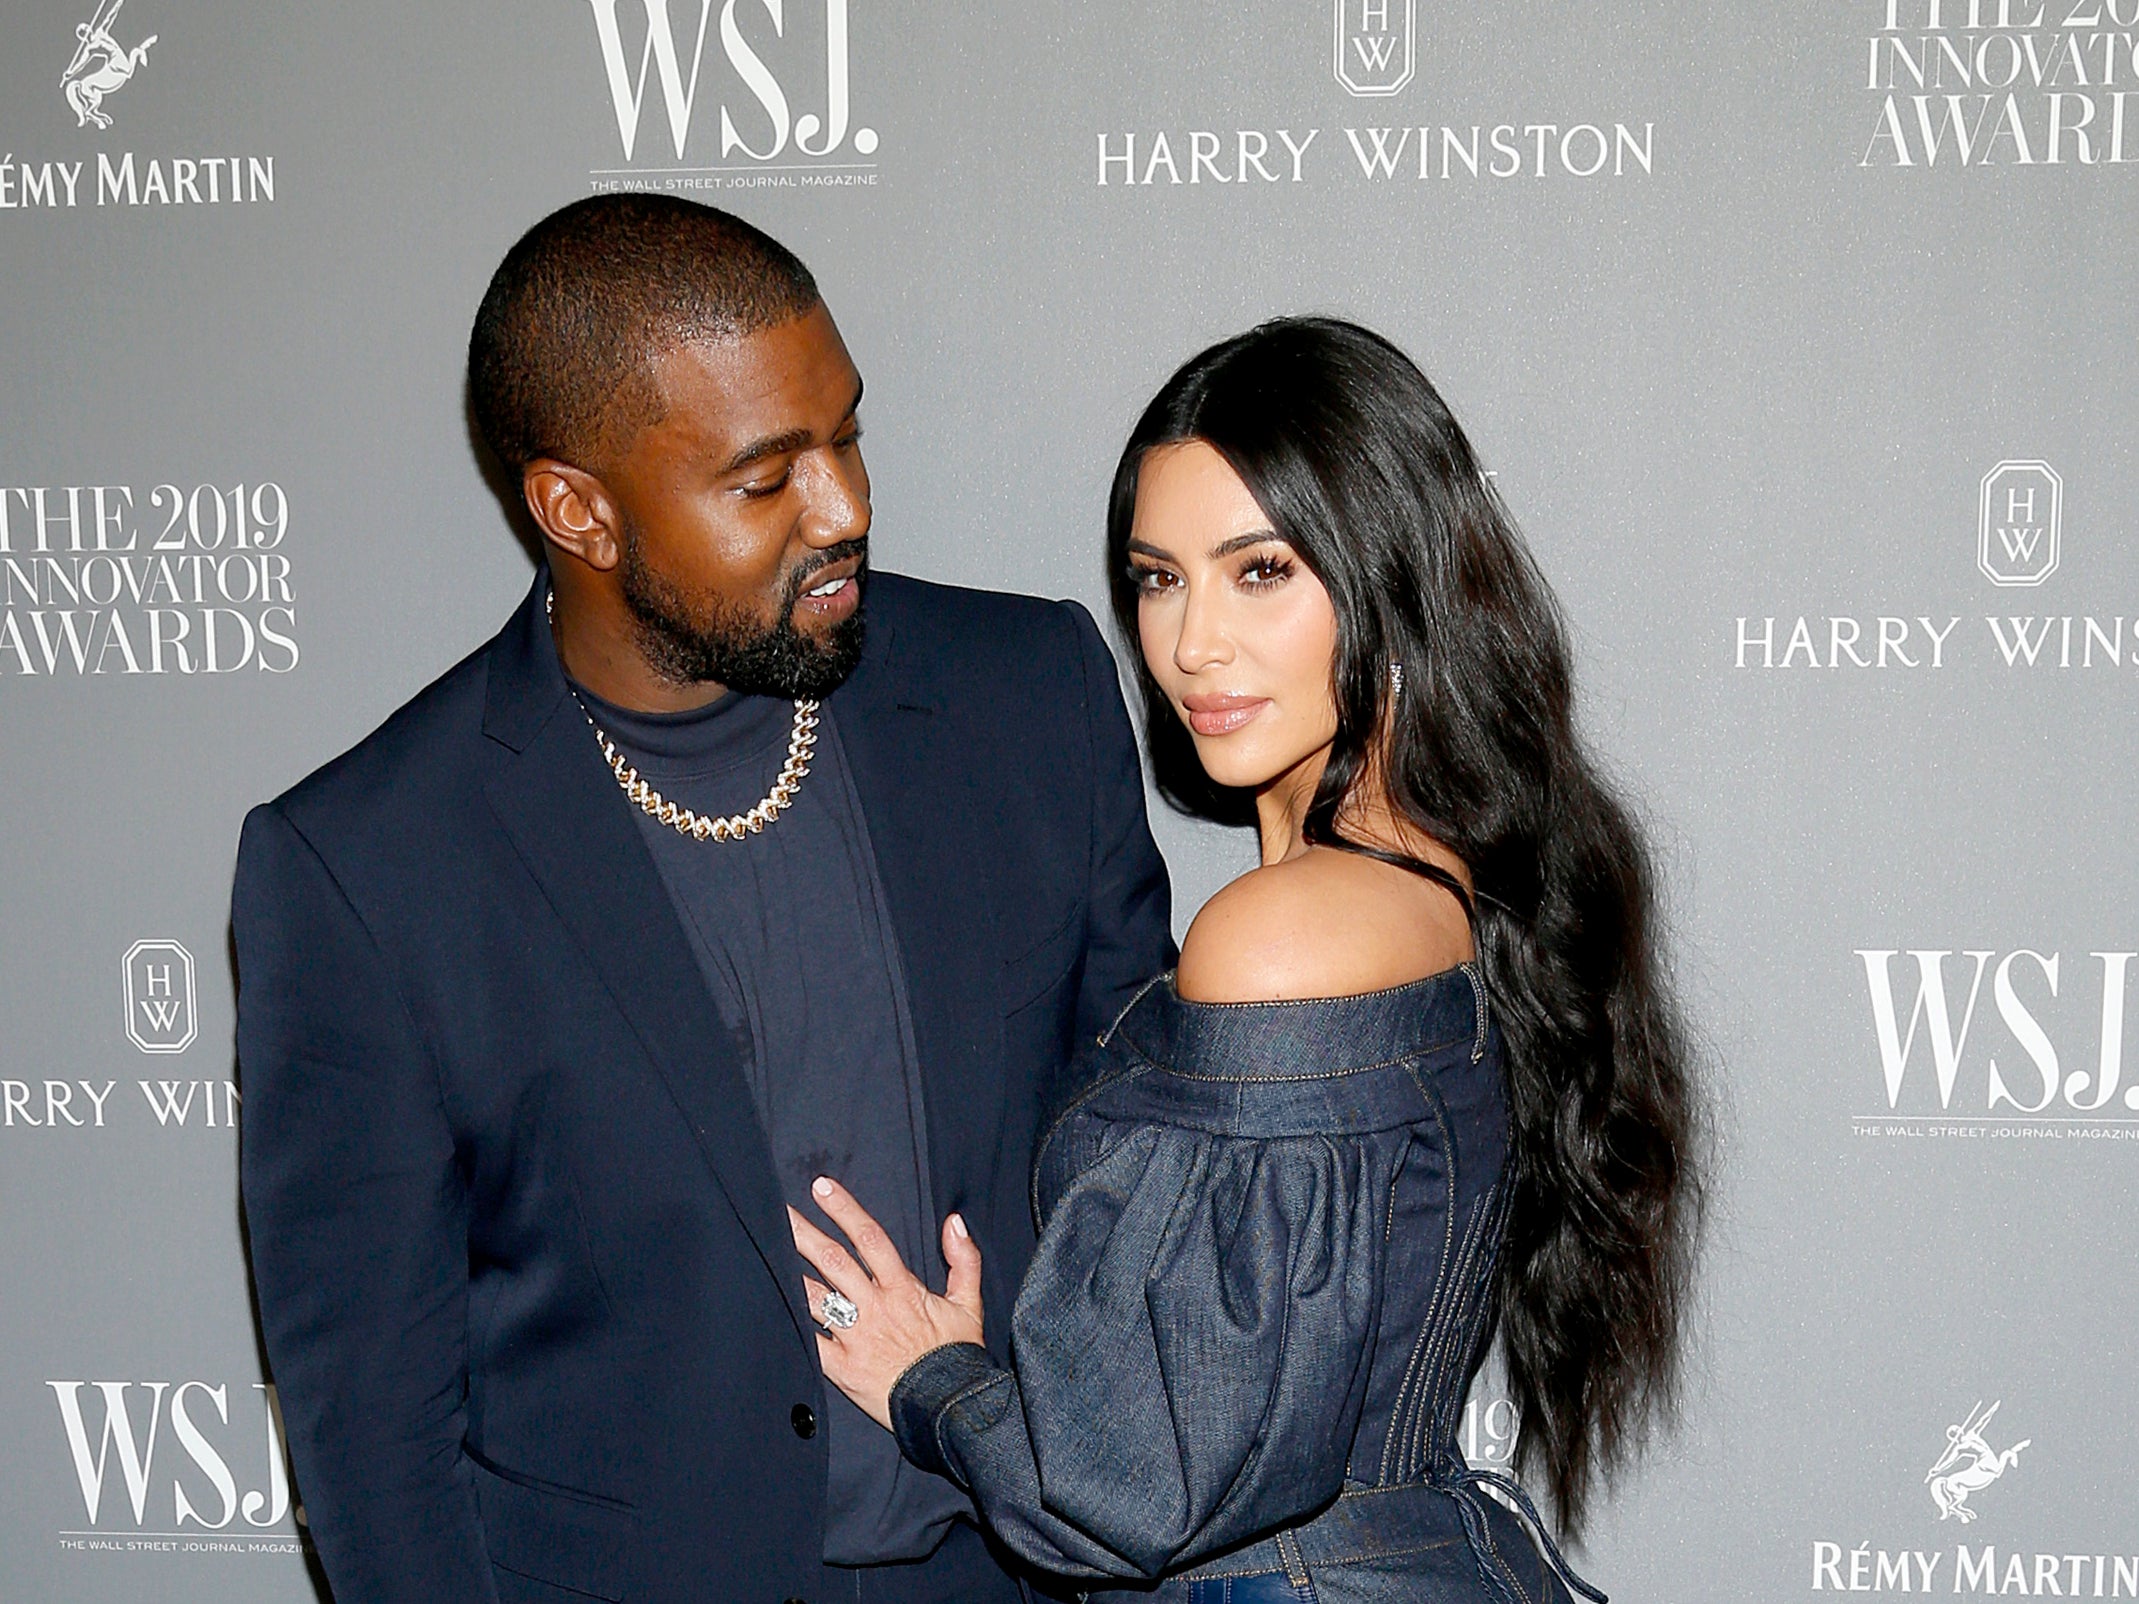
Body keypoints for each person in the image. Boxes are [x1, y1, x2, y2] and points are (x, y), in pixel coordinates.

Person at [233, 194, 1173, 1604]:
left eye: (847, 433)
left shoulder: (1025, 696)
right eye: (764, 478)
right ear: (576, 510)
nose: (844, 506)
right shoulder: (369, 866)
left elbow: (1148, 1159)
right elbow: (374, 1439)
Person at [789, 317, 1703, 1604]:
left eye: (1259, 571)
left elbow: (1127, 1490)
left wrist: (931, 1378)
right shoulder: (1433, 877)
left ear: (1388, 571)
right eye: (1158, 577)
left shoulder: (1283, 936)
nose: (1191, 645)